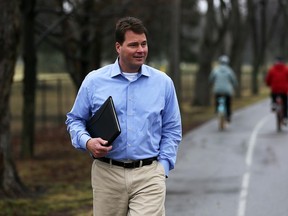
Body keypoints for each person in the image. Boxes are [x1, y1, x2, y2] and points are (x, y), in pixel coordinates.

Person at [65, 16, 182, 216]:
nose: (141, 50)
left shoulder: (163, 83)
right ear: (118, 47)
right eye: (134, 45)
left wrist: (163, 167)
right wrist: (88, 142)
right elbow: (75, 120)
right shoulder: (94, 81)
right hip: (107, 174)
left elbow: (172, 128)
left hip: (149, 174)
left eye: (144, 44)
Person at [209, 55, 238, 123]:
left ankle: (216, 111)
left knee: (217, 100)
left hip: (217, 90)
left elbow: (211, 78)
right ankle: (228, 115)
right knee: (228, 103)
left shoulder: (215, 70)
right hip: (227, 90)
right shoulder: (229, 70)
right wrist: (235, 85)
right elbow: (234, 80)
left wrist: (211, 83)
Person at [265, 56, 288, 125]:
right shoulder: (286, 69)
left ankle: (274, 105)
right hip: (284, 89)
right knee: (285, 103)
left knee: (273, 96)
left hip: (275, 89)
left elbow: (268, 79)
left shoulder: (272, 69)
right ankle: (285, 117)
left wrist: (268, 84)